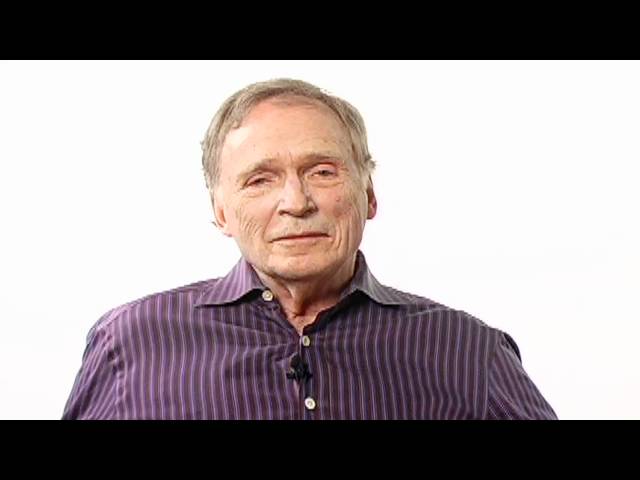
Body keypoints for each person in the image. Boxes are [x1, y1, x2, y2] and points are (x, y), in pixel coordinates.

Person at [62, 78, 557, 420]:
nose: (296, 203)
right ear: (221, 210)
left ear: (368, 195)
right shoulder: (130, 344)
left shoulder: (469, 352)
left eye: (322, 172)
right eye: (260, 179)